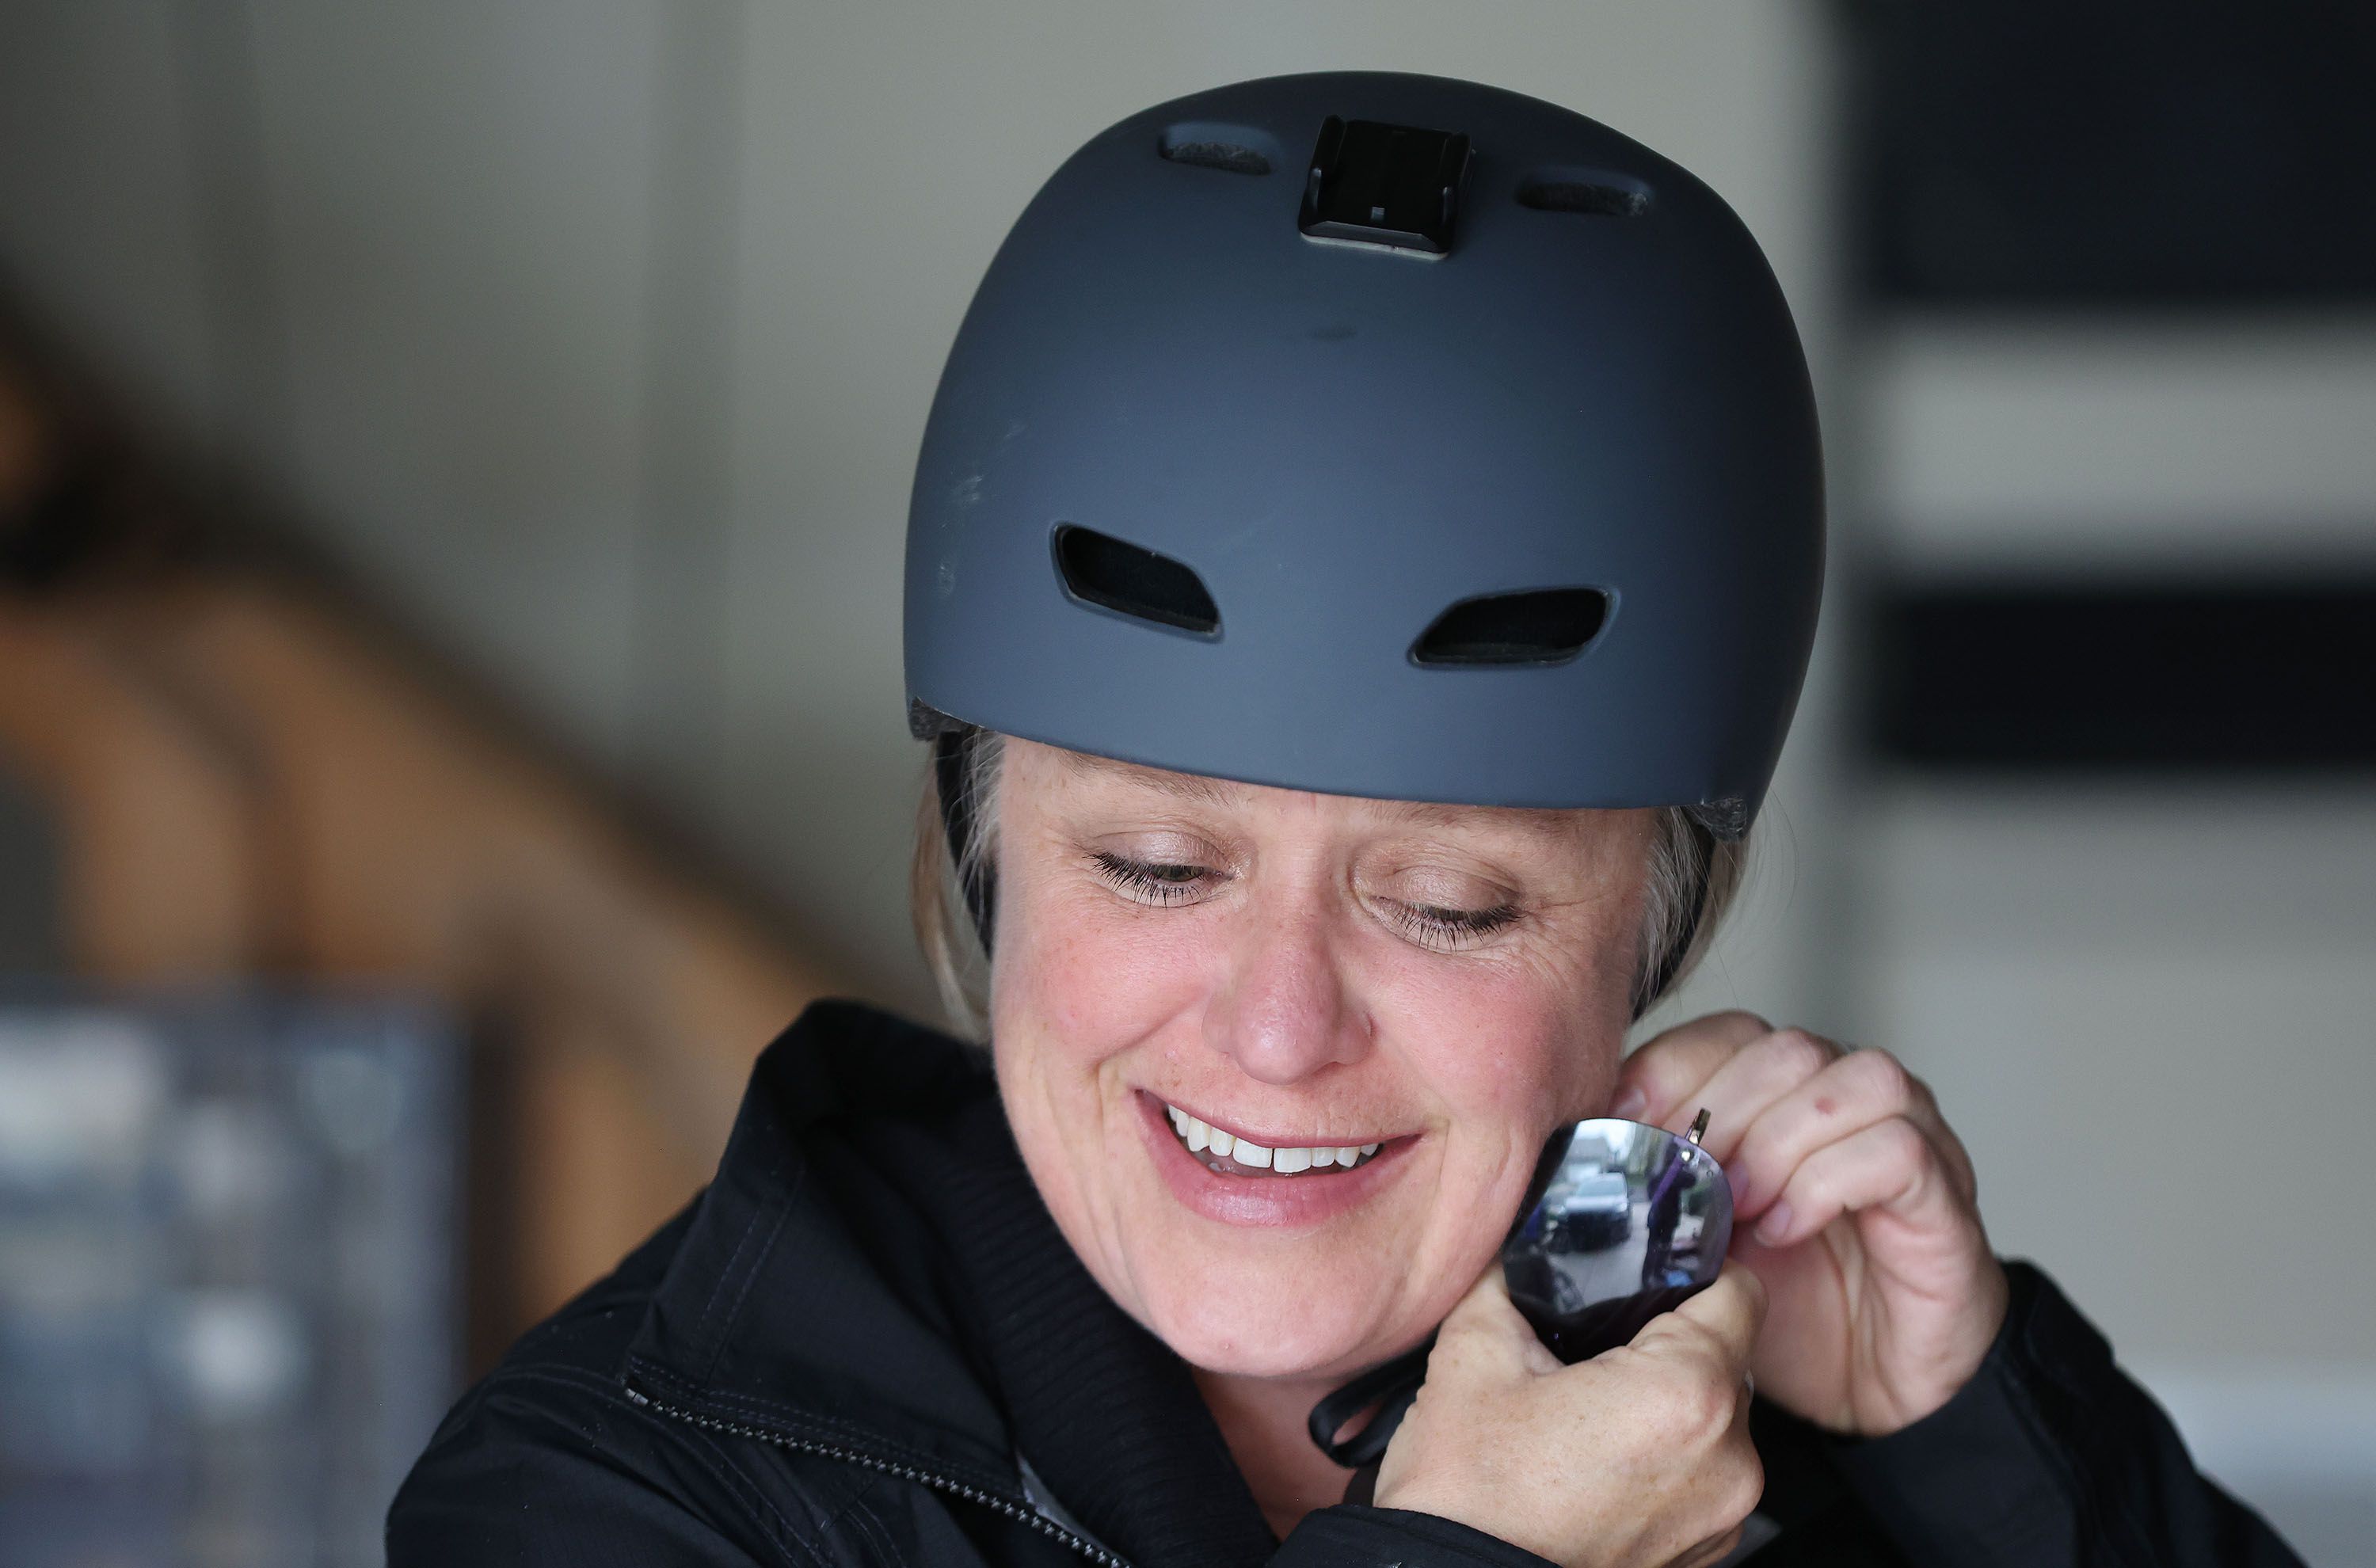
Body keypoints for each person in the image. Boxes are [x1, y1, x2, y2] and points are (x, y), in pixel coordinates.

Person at [388, 73, 2303, 1567]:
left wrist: (1976, 1445)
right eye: (1155, 865)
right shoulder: (611, 1505)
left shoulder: (1760, 1414)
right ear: (981, 850)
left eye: (1455, 905)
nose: (1278, 1025)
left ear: (1664, 924)